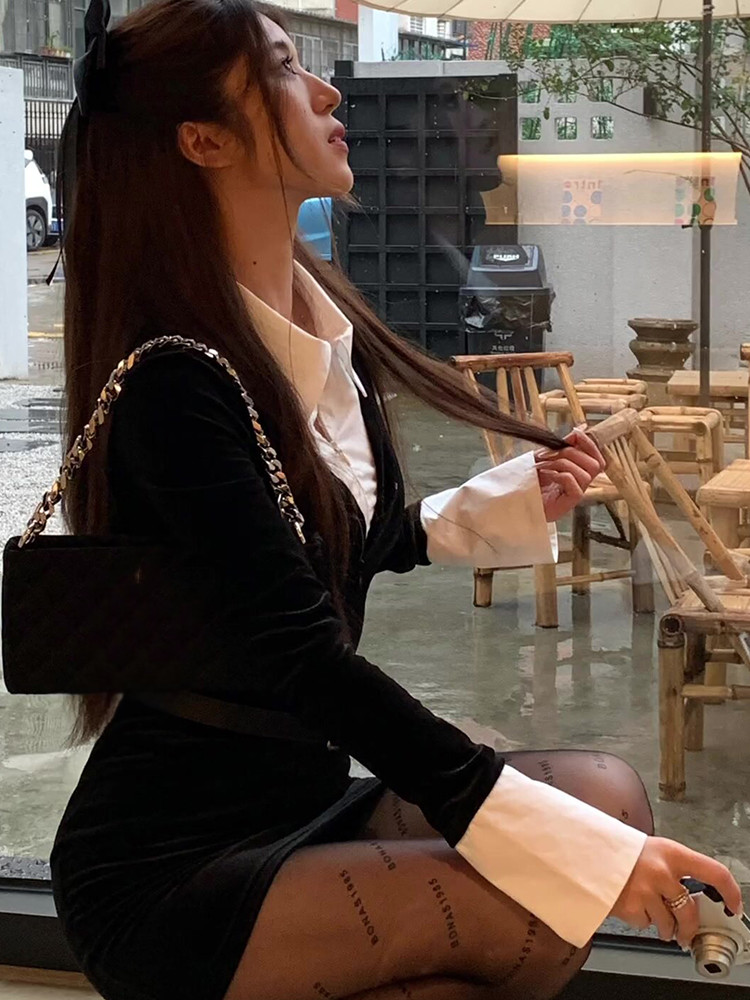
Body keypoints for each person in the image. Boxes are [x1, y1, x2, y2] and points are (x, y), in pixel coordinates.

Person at [48, 1, 742, 999]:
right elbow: (304, 658)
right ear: (204, 140)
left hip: (298, 797)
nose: (328, 91)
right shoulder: (177, 381)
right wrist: (567, 848)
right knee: (540, 895)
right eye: (284, 70)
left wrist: (506, 500)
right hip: (170, 857)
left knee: (608, 797)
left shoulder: (326, 331)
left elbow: (329, 548)